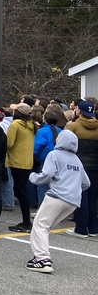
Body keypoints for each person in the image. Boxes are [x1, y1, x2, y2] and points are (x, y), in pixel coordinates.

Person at [27, 131, 90, 272]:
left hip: (56, 196)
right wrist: (74, 188)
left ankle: (43, 259)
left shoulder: (54, 155)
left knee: (40, 225)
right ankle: (40, 257)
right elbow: (86, 183)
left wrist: (33, 177)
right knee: (45, 226)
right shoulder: (76, 160)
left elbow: (48, 174)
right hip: (73, 201)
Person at [65, 99, 98, 238]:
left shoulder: (73, 127)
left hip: (77, 166)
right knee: (93, 198)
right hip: (95, 167)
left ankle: (81, 228)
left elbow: (62, 143)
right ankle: (93, 228)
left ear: (78, 111)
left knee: (80, 197)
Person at [6, 103, 37, 232]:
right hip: (27, 161)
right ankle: (26, 220)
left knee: (20, 191)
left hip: (16, 160)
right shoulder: (32, 126)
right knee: (22, 190)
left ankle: (26, 222)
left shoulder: (15, 125)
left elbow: (9, 143)